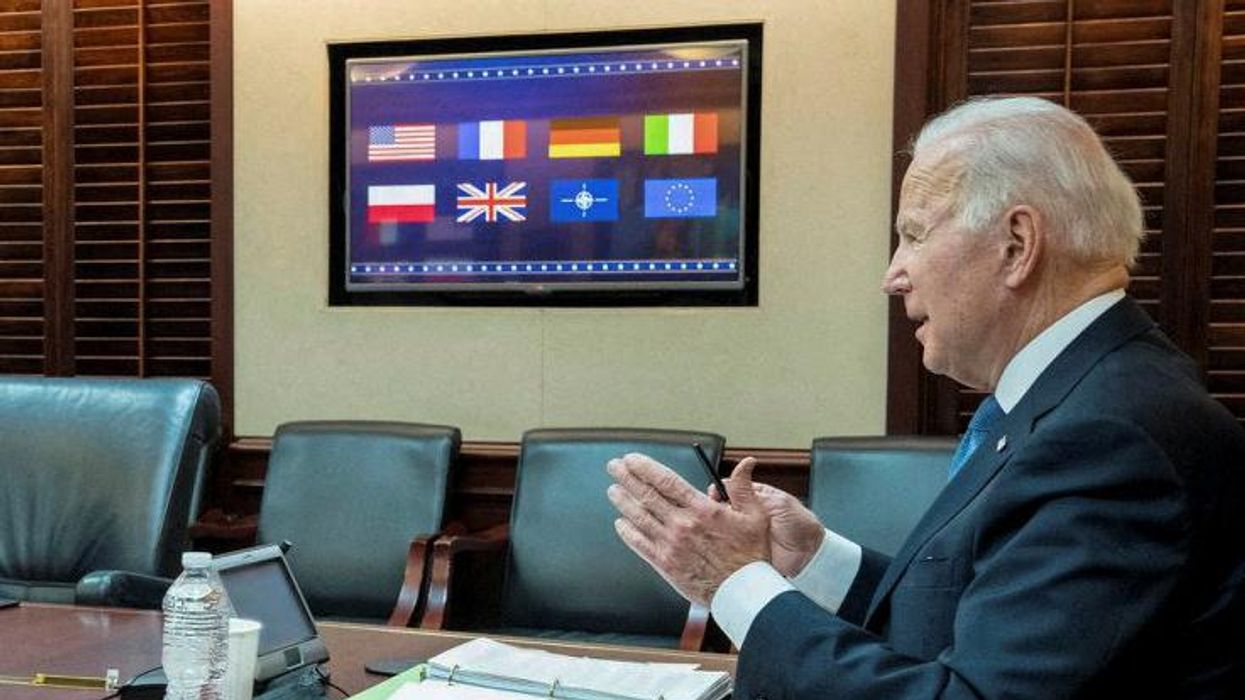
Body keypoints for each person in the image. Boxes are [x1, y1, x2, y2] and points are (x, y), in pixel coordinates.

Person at [606, 96, 1245, 698]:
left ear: (1017, 245)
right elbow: (983, 620)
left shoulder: (1111, 436)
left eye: (913, 235)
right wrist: (812, 561)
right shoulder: (1088, 392)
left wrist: (734, 583)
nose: (893, 275)